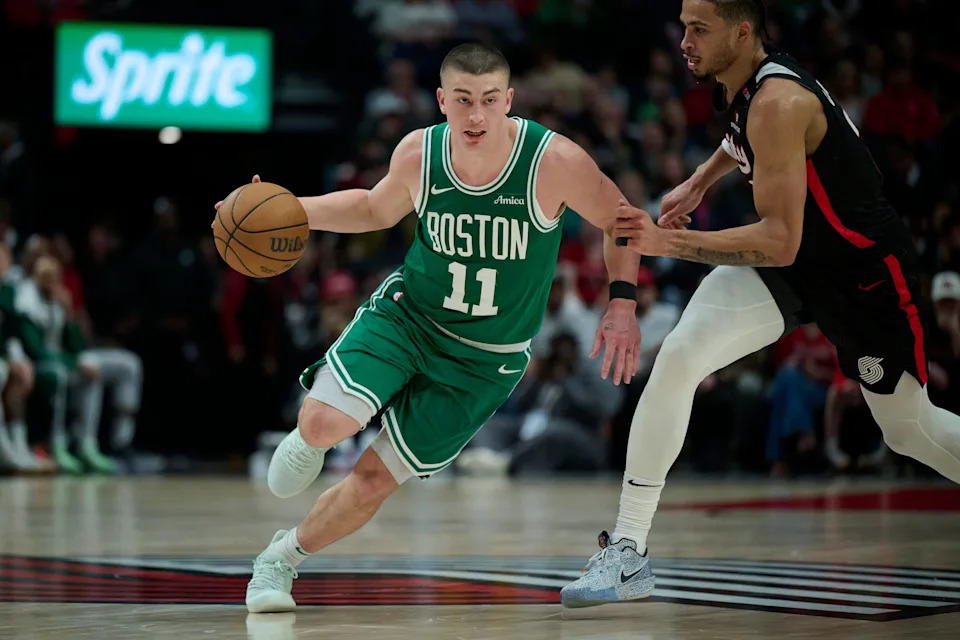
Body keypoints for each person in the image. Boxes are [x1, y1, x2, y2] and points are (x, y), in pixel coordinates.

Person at [562, 0, 960, 607]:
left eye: (699, 29)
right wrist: (700, 179)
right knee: (680, 357)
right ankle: (628, 551)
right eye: (683, 27)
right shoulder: (751, 80)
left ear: (741, 31)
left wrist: (666, 242)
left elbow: (777, 240)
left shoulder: (778, 102)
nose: (685, 42)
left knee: (912, 432)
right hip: (800, 264)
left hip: (865, 278)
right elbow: (740, 140)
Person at [220, 43, 643, 613]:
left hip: (484, 360)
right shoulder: (421, 151)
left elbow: (621, 222)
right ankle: (307, 437)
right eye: (463, 100)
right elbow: (373, 209)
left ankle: (279, 559)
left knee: (372, 481)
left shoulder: (553, 161)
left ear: (509, 100)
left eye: (489, 101)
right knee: (322, 427)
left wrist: (621, 304)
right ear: (442, 99)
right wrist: (291, 207)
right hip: (411, 317)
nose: (475, 116)